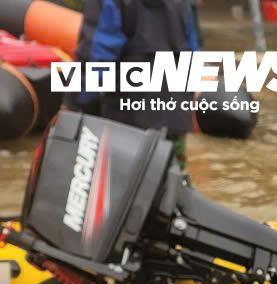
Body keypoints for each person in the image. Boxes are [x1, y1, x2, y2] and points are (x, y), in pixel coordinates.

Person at [73, 0, 199, 164]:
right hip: (174, 116)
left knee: (120, 182)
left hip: (128, 121)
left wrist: (76, 104)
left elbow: (98, 57)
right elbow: (192, 52)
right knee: (173, 180)